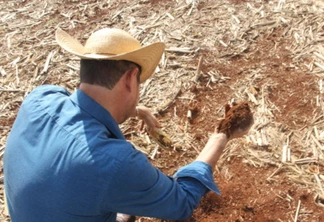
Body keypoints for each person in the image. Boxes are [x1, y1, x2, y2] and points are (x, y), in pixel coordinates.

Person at [4, 27, 253, 222]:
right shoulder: (113, 162)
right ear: (131, 78)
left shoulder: (40, 98)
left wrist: (136, 110)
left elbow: (85, 105)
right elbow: (183, 201)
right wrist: (223, 133)